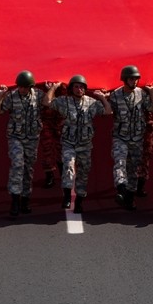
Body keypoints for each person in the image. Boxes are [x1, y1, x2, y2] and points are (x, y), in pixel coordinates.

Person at [0, 72, 51, 218]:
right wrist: (0, 96)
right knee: (17, 164)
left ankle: (25, 199)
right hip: (16, 137)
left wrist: (52, 89)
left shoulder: (38, 95)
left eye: (25, 87)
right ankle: (15, 200)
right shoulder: (12, 96)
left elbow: (47, 103)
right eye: (20, 87)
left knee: (28, 169)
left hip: (32, 138)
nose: (22, 90)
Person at [51, 75, 111, 213]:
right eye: (76, 86)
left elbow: (108, 111)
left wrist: (102, 98)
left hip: (85, 145)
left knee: (83, 173)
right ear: (71, 89)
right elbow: (47, 102)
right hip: (69, 143)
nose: (79, 89)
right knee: (68, 166)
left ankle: (79, 201)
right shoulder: (64, 101)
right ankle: (67, 195)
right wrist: (53, 88)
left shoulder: (92, 103)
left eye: (82, 87)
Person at [109, 66, 153, 210]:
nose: (134, 81)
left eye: (136, 78)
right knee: (120, 162)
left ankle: (129, 198)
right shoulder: (115, 95)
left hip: (136, 138)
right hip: (120, 137)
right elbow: (108, 110)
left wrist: (152, 93)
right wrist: (102, 98)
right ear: (124, 79)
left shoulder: (141, 94)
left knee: (133, 169)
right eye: (131, 78)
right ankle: (121, 188)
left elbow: (152, 108)